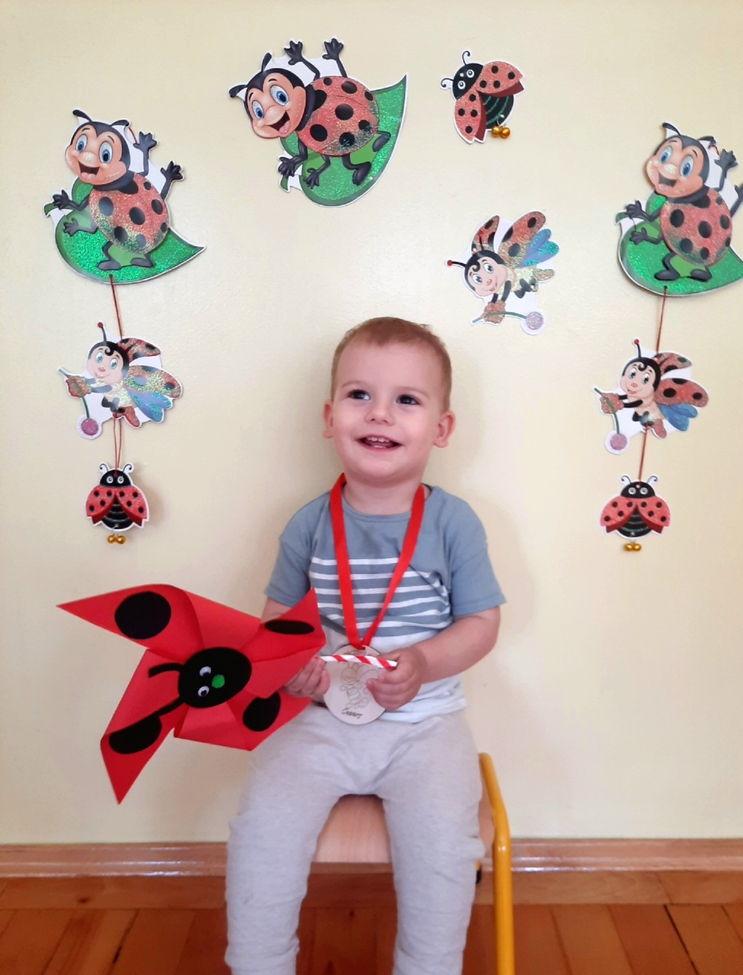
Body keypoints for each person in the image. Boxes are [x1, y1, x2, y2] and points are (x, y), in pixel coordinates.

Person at [226, 317, 504, 975]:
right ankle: (258, 963)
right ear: (330, 418)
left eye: (407, 399)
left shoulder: (453, 522)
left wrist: (425, 663)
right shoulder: (308, 523)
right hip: (318, 721)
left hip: (425, 724)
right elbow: (278, 623)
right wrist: (293, 667)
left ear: (441, 428)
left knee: (444, 849)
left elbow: (481, 622)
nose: (380, 412)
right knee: (260, 829)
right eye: (359, 395)